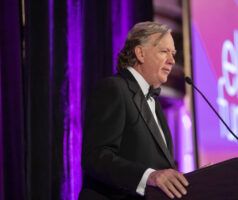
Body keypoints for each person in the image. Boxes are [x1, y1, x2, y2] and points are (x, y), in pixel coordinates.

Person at [79, 21, 189, 200]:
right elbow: (96, 157)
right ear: (141, 53)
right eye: (164, 52)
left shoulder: (153, 101)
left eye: (173, 53)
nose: (172, 60)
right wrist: (148, 177)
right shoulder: (114, 89)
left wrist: (191, 179)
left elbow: (156, 167)